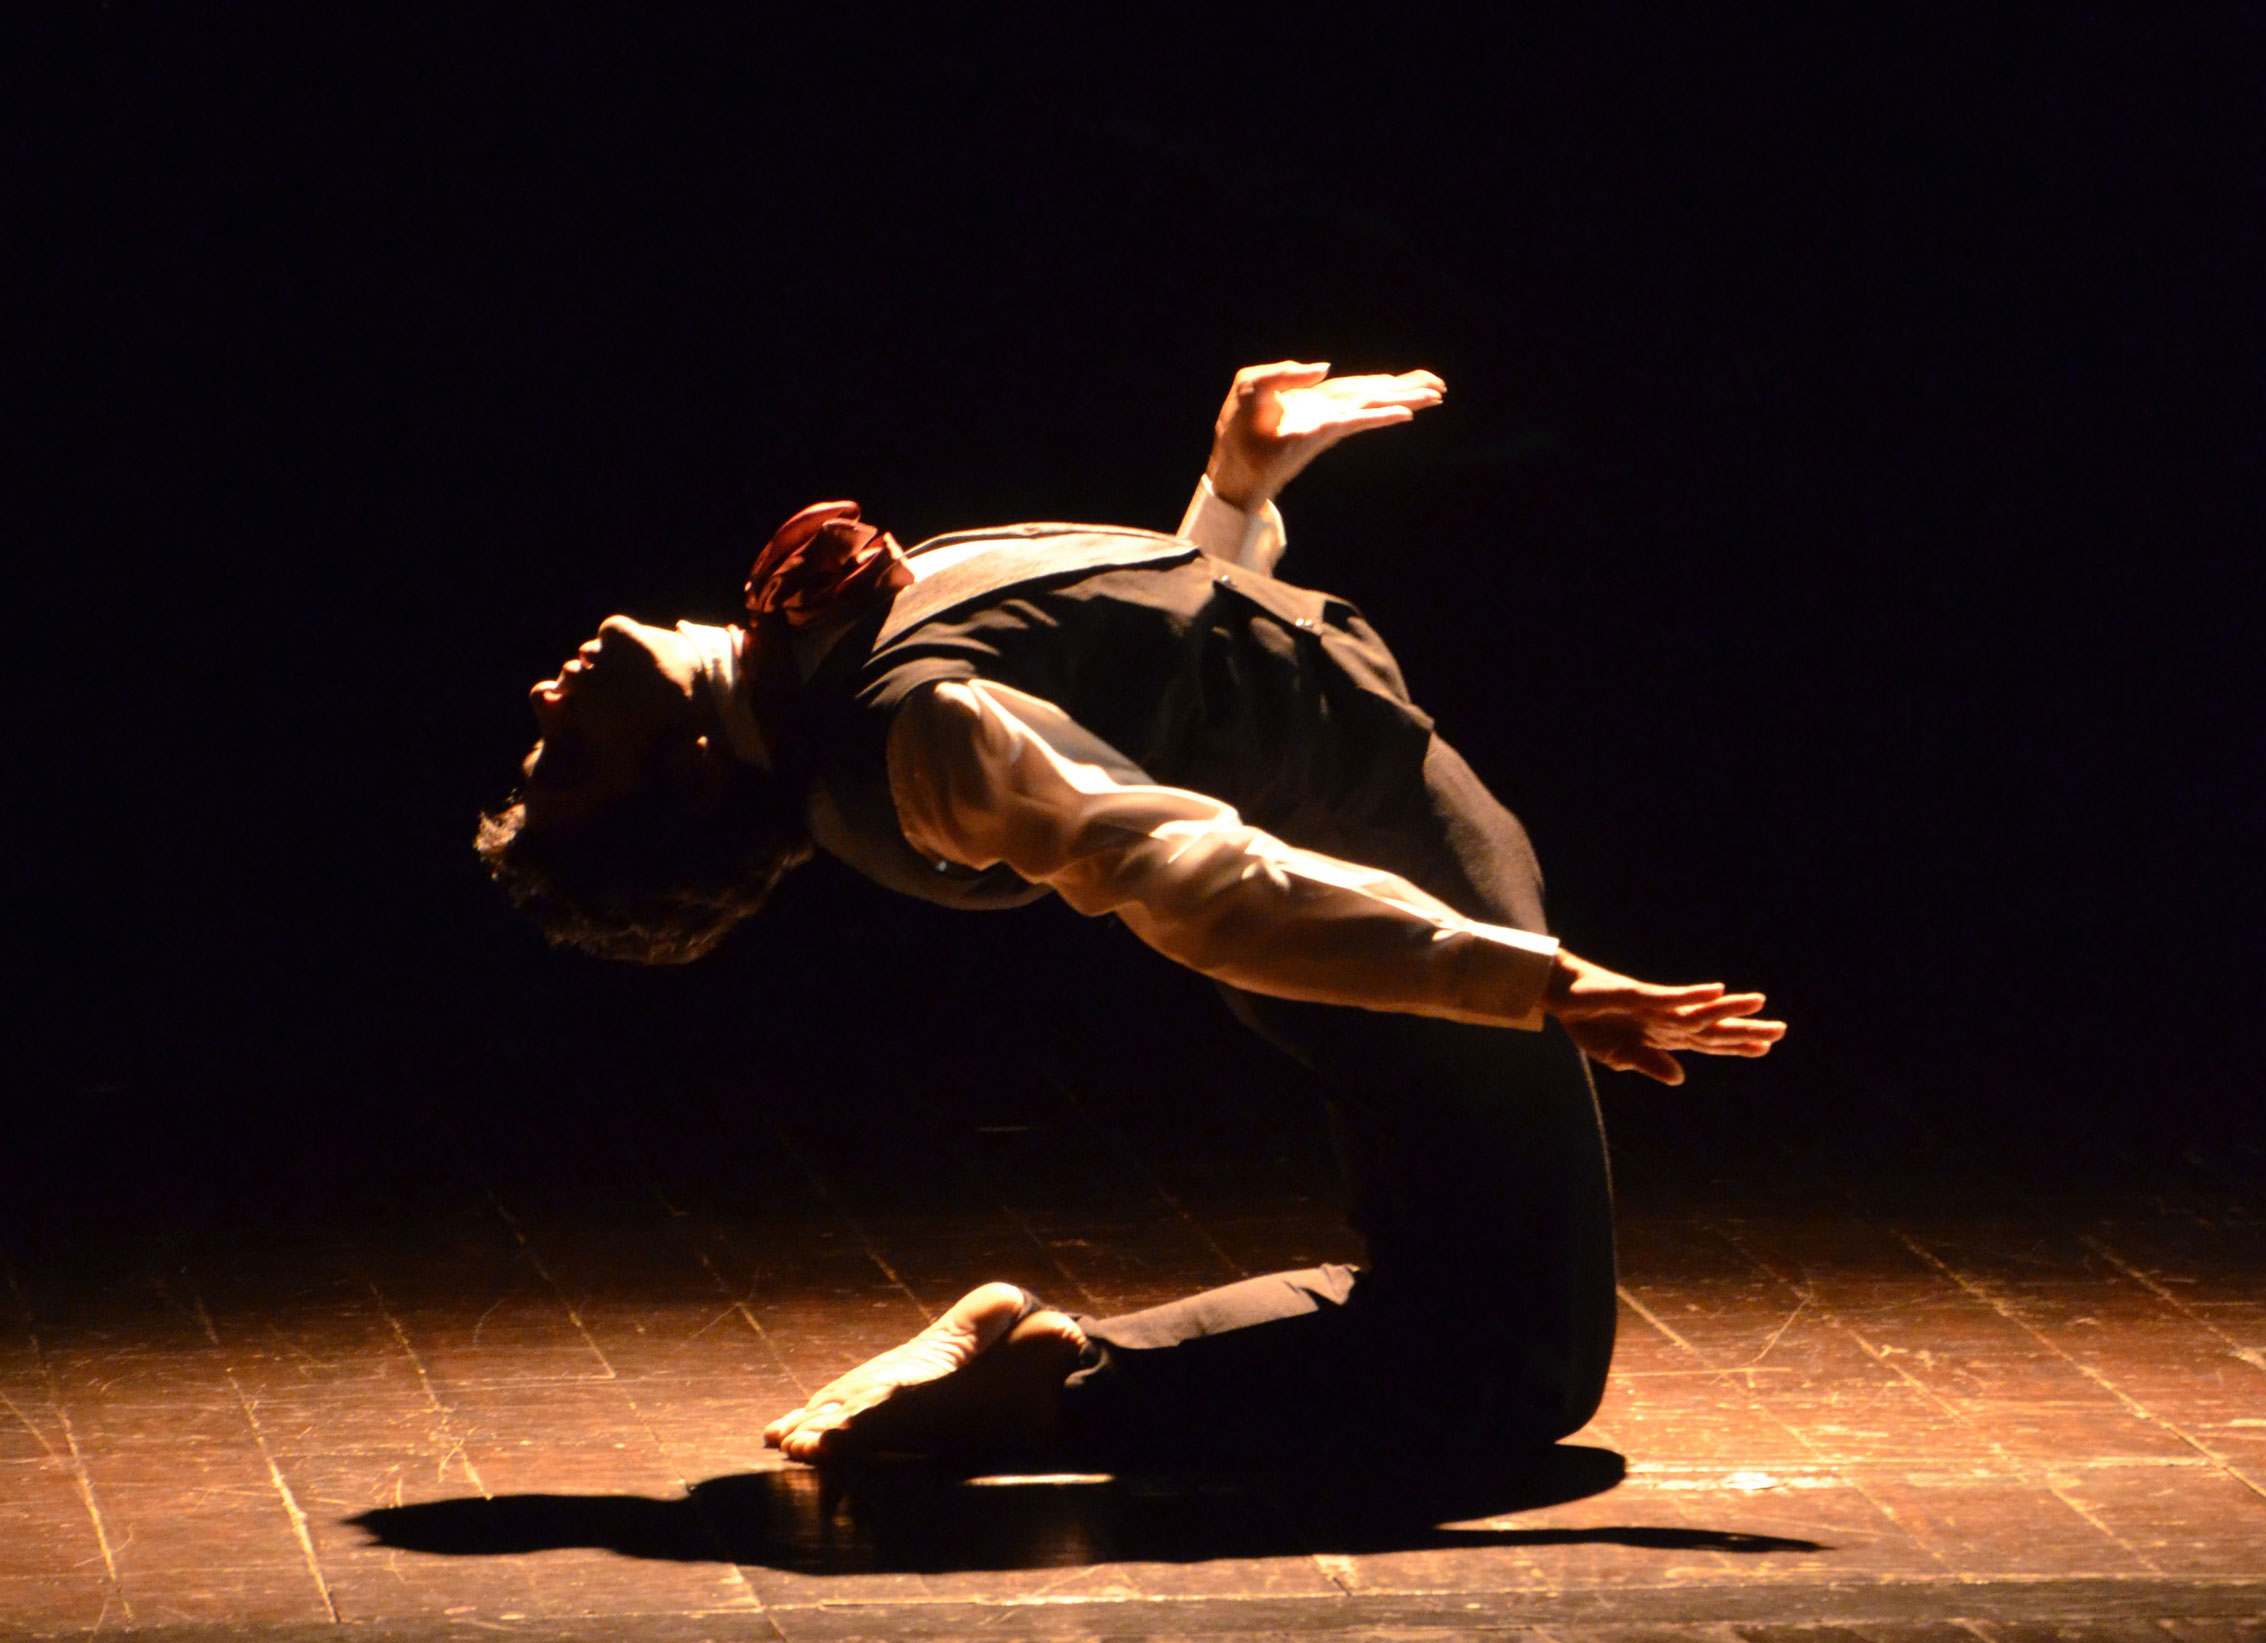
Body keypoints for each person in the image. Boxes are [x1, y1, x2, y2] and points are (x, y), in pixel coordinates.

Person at [479, 362, 1784, 1470]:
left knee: (1486, 1314)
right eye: (569, 758)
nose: (543, 700)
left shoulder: (833, 645)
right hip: (1375, 908)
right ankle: (1060, 1376)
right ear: (691, 776)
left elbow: (1152, 676)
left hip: (1398, 861)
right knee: (1522, 1364)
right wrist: (1539, 979)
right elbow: (1195, 876)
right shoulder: (906, 737)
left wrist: (1235, 493)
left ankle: (1055, 1365)